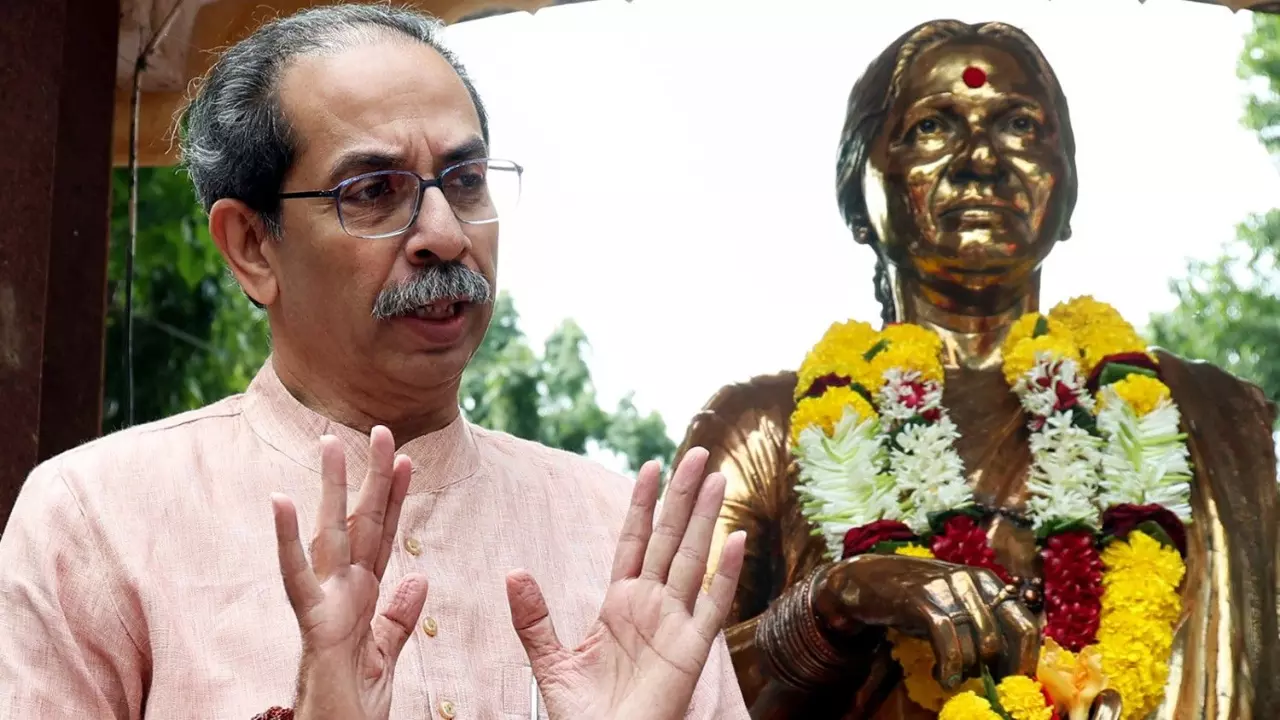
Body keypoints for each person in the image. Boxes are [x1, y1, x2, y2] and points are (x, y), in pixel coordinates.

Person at [0, 5, 750, 718]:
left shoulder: (622, 541)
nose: (444, 233)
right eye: (374, 192)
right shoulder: (96, 519)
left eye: (465, 181)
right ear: (252, 248)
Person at [675, 18, 1280, 720]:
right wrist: (834, 604)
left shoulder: (1194, 416)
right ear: (858, 195)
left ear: (1069, 189)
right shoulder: (762, 428)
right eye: (932, 126)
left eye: (1021, 125)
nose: (980, 159)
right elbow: (658, 681)